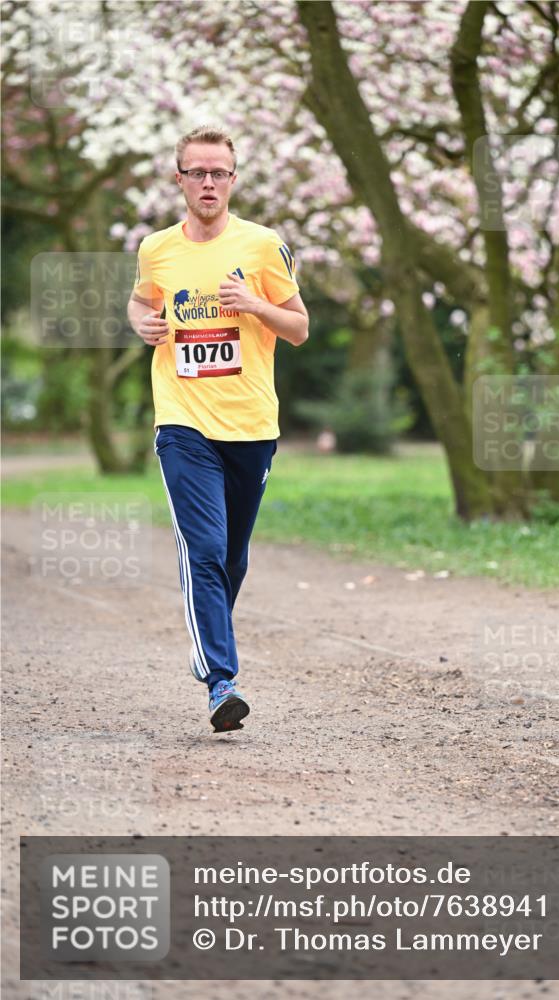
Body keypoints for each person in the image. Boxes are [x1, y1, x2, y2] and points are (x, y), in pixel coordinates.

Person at [127, 126, 309, 732]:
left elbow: (299, 328)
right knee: (203, 549)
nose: (208, 183)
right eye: (197, 172)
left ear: (233, 179)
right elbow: (141, 301)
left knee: (231, 558)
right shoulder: (156, 248)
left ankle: (207, 639)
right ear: (178, 179)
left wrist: (254, 305)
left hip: (251, 424)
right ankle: (220, 680)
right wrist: (142, 323)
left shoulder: (263, 246)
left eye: (218, 173)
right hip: (183, 421)